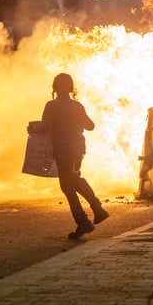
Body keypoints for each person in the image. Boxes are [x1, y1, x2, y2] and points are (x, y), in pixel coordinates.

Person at [37, 73, 109, 239]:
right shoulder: (77, 106)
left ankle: (90, 215)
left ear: (55, 88)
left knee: (69, 184)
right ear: (71, 88)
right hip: (77, 148)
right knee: (72, 180)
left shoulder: (52, 106)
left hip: (62, 149)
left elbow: (44, 127)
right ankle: (91, 215)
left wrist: (33, 129)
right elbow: (90, 126)